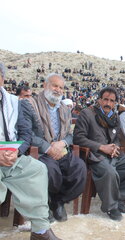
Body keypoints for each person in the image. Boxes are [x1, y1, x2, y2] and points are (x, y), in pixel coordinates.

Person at [0, 63, 61, 240]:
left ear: (2, 78)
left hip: (11, 156)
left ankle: (40, 231)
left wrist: (16, 151)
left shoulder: (13, 102)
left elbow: (26, 133)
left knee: (37, 169)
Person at [73, 87, 125, 221]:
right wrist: (101, 147)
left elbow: (117, 138)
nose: (108, 103)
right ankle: (111, 207)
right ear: (99, 100)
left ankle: (118, 199)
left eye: (111, 101)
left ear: (115, 103)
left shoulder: (114, 116)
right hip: (95, 156)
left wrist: (114, 148)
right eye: (105, 99)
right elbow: (78, 138)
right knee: (109, 172)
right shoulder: (87, 114)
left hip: (113, 156)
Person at [23, 73, 86, 222]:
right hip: (39, 152)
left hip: (60, 150)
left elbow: (71, 135)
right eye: (54, 85)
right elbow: (27, 134)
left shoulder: (64, 108)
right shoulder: (30, 104)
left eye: (61, 87)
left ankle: (58, 202)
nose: (58, 90)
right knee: (51, 171)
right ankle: (47, 202)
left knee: (79, 168)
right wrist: (48, 148)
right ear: (45, 85)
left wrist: (62, 143)